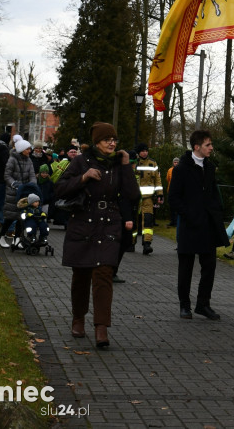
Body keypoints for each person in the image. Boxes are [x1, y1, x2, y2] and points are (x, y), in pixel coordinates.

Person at [54, 122, 139, 349]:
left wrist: (126, 165)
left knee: (104, 274)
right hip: (83, 222)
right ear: (96, 142)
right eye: (106, 139)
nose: (112, 143)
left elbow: (132, 194)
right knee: (81, 275)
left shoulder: (119, 163)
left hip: (109, 223)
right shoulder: (81, 161)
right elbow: (59, 188)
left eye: (114, 139)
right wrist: (83, 177)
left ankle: (101, 327)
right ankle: (78, 318)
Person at [168, 130, 228, 320]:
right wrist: (189, 215)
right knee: (185, 267)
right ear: (197, 147)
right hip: (189, 225)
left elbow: (212, 194)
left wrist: (216, 213)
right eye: (208, 145)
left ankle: (203, 304)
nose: (211, 148)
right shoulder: (182, 169)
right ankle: (184, 305)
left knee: (209, 266)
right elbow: (174, 198)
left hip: (207, 226)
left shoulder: (210, 167)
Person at [0, 139, 37, 246]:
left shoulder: (29, 160)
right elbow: (7, 175)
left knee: (22, 216)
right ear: (21, 149)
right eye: (27, 149)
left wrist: (33, 185)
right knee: (11, 216)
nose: (30, 151)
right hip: (13, 191)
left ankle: (17, 238)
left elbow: (32, 175)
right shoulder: (12, 160)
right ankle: (1, 236)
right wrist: (14, 184)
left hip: (25, 191)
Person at [132, 143, 163, 255]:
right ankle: (131, 243)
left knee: (148, 220)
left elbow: (158, 180)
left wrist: (160, 194)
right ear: (139, 152)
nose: (145, 152)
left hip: (148, 198)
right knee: (134, 220)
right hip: (135, 197)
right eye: (143, 151)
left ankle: (147, 244)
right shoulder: (134, 162)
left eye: (146, 150)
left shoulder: (153, 163)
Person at [166, 158, 179, 227]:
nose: (176, 163)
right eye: (175, 162)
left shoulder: (181, 170)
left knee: (177, 208)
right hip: (170, 191)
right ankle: (172, 221)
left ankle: (176, 222)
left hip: (178, 192)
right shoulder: (169, 170)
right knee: (171, 208)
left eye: (177, 162)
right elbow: (168, 179)